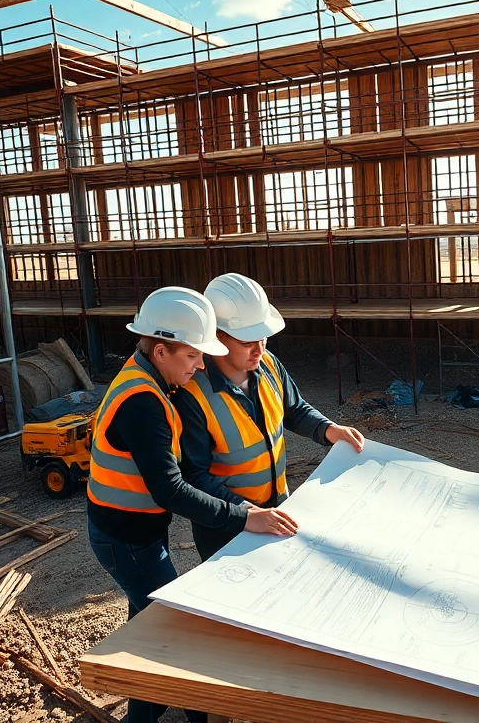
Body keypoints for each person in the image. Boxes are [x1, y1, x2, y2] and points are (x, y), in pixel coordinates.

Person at [86, 286, 299, 723]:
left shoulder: (145, 376)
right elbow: (172, 489)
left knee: (149, 629)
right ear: (160, 350)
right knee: (181, 634)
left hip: (137, 533)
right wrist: (244, 515)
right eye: (191, 356)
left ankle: (143, 713)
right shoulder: (144, 403)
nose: (201, 364)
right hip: (125, 539)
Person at [173, 273, 365, 560]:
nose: (259, 349)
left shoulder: (269, 365)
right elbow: (194, 477)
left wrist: (328, 429)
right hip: (225, 526)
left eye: (263, 338)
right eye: (248, 341)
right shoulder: (192, 395)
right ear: (218, 336)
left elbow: (295, 409)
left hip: (278, 505)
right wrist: (247, 513)